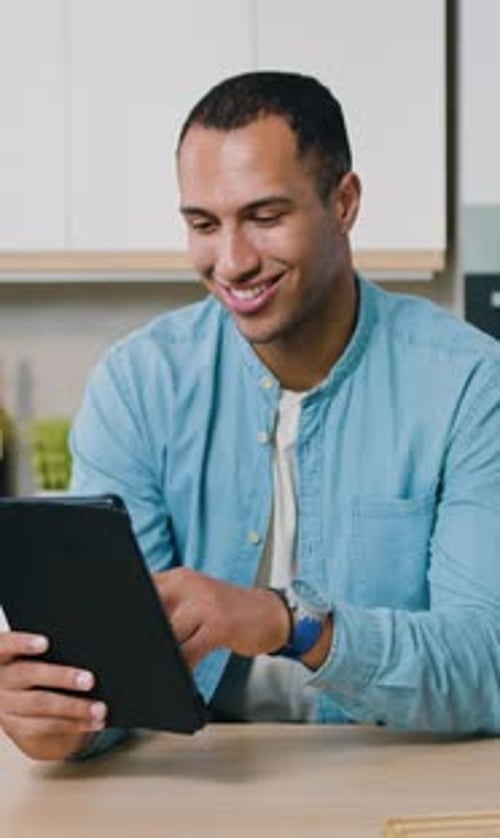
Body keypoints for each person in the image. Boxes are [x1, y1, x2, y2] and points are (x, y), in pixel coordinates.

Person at [1, 71, 500, 763]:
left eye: (265, 217)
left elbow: (484, 670)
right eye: (204, 224)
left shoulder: (470, 384)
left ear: (344, 202)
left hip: (398, 777)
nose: (231, 261)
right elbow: (112, 679)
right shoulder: (137, 384)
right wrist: (60, 714)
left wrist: (286, 623)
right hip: (195, 787)